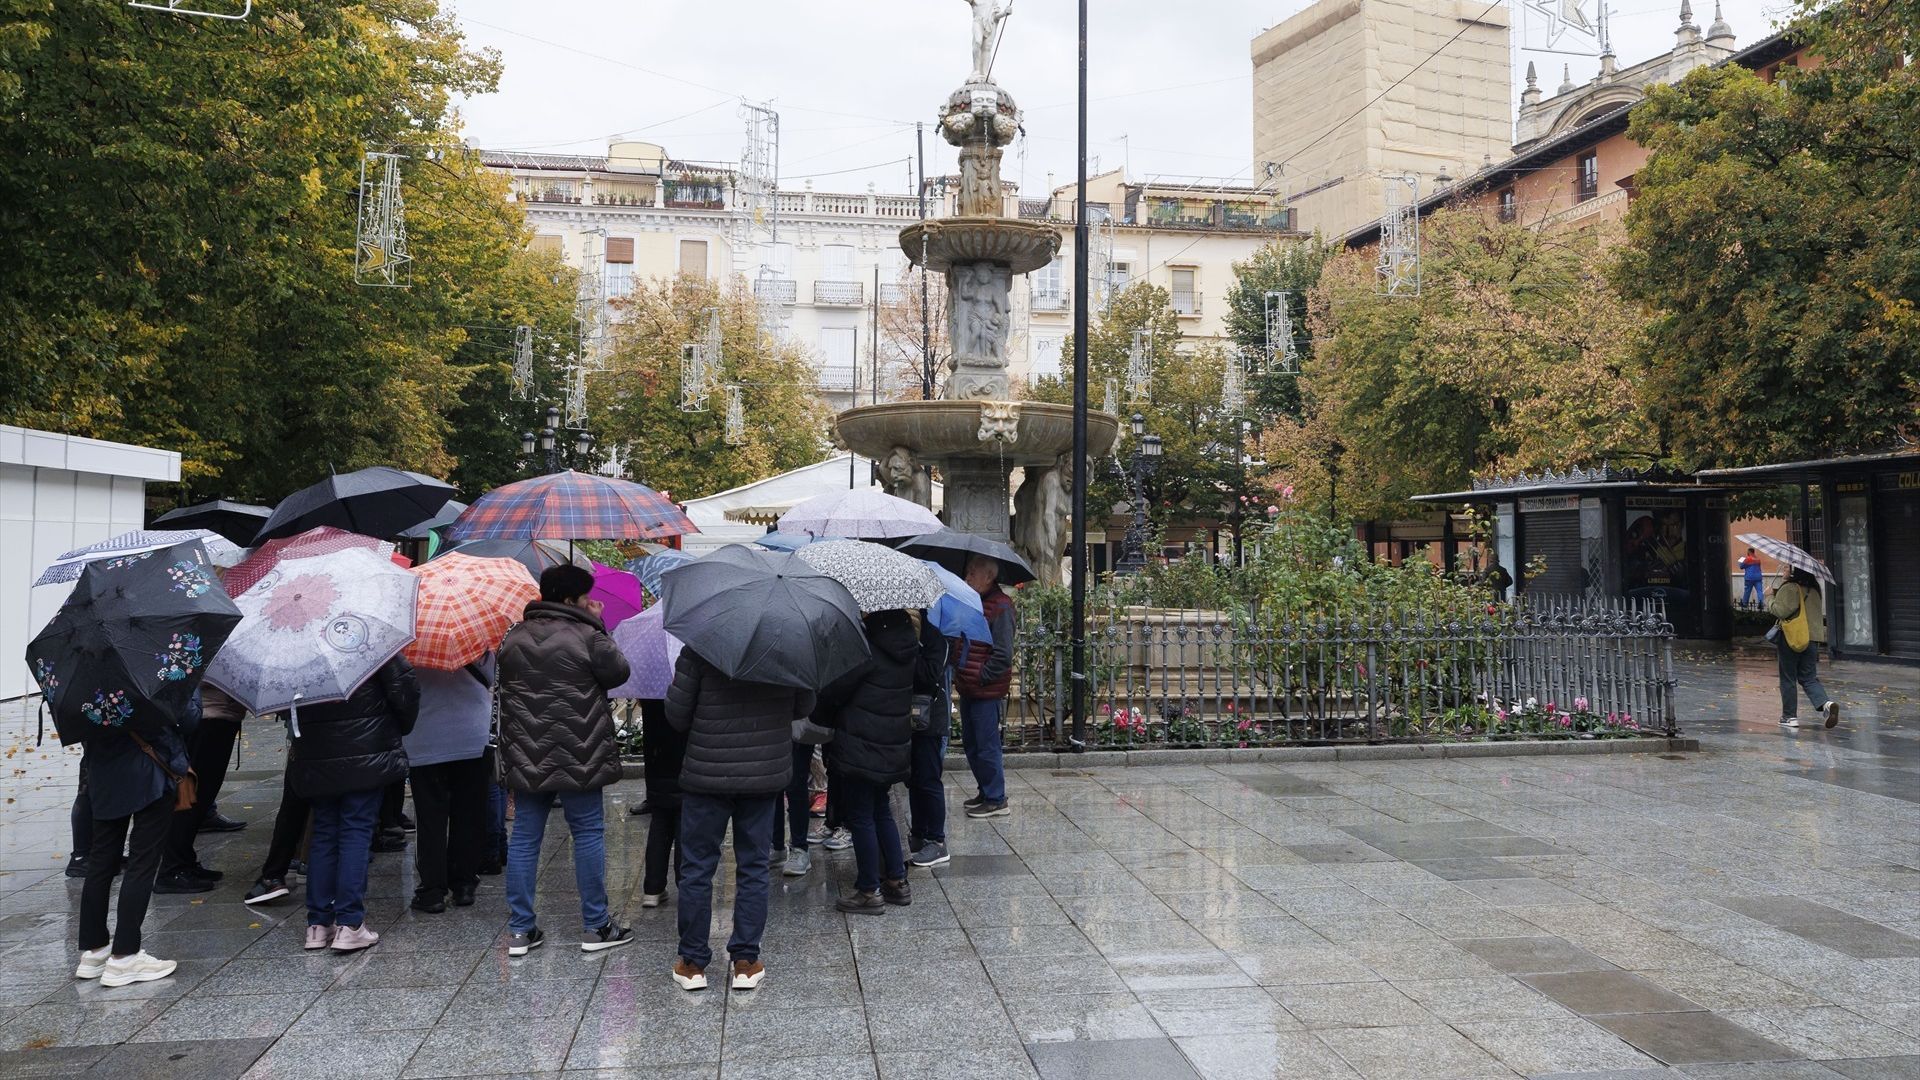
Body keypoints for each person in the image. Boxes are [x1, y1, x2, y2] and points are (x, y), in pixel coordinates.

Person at [497, 564, 634, 957]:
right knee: (587, 832)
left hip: (526, 752)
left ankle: (521, 931)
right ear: (573, 599)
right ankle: (595, 925)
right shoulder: (589, 636)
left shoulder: (513, 635)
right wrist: (599, 627)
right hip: (581, 751)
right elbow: (619, 673)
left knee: (524, 836)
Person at [664, 645, 816, 992]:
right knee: (753, 865)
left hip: (707, 774)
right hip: (763, 772)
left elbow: (677, 714)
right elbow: (804, 706)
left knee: (698, 867)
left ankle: (692, 963)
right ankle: (746, 961)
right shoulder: (787, 647)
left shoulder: (701, 647)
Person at [292, 654, 418, 952]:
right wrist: (394, 726)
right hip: (365, 749)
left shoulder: (298, 650)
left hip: (317, 752)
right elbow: (405, 690)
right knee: (356, 830)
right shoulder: (369, 641)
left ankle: (318, 924)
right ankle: (349, 923)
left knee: (324, 832)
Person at [816, 609, 928, 915]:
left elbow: (836, 691)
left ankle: (868, 889)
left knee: (862, 816)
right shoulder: (906, 646)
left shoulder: (865, 648)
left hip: (860, 744)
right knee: (881, 811)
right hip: (890, 744)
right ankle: (897, 881)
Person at [74, 714, 190, 987]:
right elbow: (188, 719)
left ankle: (94, 951)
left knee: (101, 860)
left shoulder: (80, 683)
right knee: (143, 861)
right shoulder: (151, 673)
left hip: (102, 773)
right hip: (149, 773)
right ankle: (125, 956)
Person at [405, 656, 495, 914]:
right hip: (473, 734)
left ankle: (432, 890)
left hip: (425, 735)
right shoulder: (476, 635)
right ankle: (464, 883)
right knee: (470, 812)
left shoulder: (411, 642)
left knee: (429, 817)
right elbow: (491, 676)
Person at [153, 685, 246, 893]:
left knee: (202, 798)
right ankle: (172, 869)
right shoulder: (200, 651)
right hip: (208, 719)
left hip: (220, 717)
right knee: (192, 797)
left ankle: (184, 860)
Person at [954, 554, 1014, 819]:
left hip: (984, 689)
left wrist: (980, 676)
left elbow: (1003, 654)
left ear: (988, 577)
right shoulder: (975, 602)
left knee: (987, 745)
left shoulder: (1001, 606)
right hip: (969, 687)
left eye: (972, 573)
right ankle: (985, 790)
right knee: (972, 743)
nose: (967, 577)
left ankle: (996, 798)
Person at [908, 612, 956, 867]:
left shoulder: (935, 639)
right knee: (914, 780)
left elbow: (928, 676)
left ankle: (937, 841)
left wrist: (912, 650)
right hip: (907, 719)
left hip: (930, 720)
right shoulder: (908, 636)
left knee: (928, 778)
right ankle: (918, 832)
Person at [1768, 568, 1841, 729]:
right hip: (1812, 639)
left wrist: (1770, 597)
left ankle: (1789, 717)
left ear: (1795, 571)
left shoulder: (1790, 587)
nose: (1784, 570)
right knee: (1809, 677)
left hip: (1792, 638)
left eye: (1787, 568)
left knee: (1788, 678)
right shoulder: (1815, 589)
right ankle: (1826, 704)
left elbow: (1780, 611)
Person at [637, 697, 684, 908]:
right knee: (685, 823)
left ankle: (652, 889)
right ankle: (685, 883)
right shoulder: (684, 680)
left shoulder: (648, 684)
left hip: (657, 763)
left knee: (660, 822)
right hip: (683, 763)